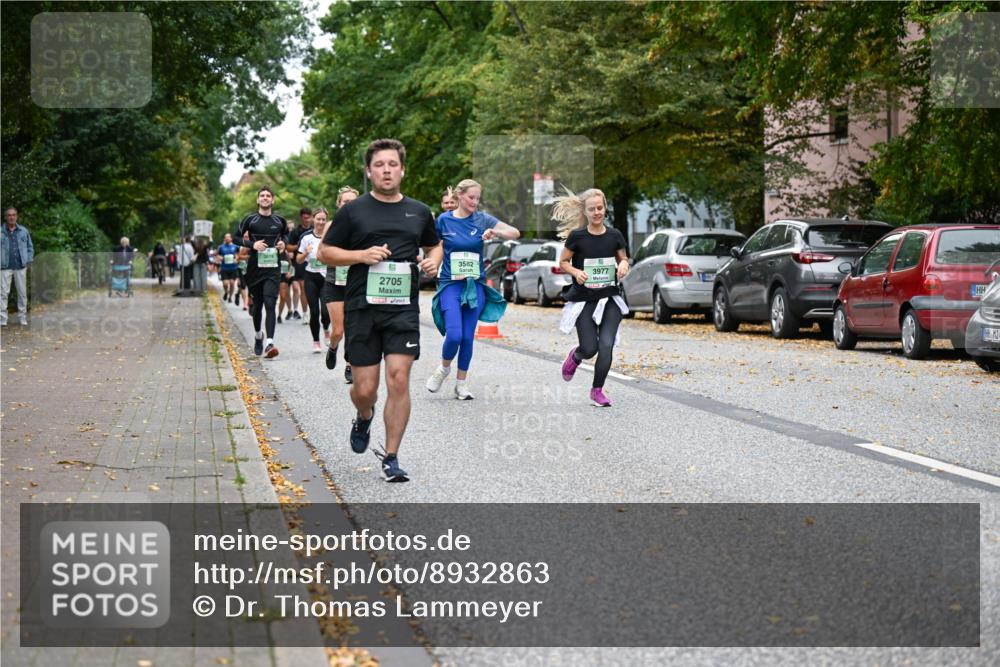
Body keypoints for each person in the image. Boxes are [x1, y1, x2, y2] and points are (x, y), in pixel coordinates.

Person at [319, 138, 442, 483]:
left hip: (402, 309)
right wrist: (361, 255)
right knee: (365, 388)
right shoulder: (353, 211)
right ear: (369, 171)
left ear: (402, 169)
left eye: (392, 164)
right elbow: (325, 253)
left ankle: (391, 457)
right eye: (379, 165)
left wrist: (432, 262)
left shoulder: (419, 211)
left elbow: (434, 245)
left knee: (399, 379)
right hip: (362, 308)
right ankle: (364, 414)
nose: (386, 170)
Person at [426, 179, 518, 399]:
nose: (475, 202)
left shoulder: (483, 219)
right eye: (471, 197)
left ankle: (461, 384)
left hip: (474, 285)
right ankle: (443, 369)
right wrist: (430, 262)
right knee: (455, 334)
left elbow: (514, 232)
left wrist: (496, 233)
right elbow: (433, 246)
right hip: (451, 284)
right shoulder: (444, 220)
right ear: (459, 196)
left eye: (478, 198)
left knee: (468, 337)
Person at [554, 188, 630, 407]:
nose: (597, 212)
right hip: (584, 298)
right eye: (592, 209)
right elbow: (564, 262)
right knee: (590, 348)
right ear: (585, 212)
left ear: (605, 207)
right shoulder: (577, 237)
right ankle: (576, 357)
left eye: (600, 207)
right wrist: (577, 273)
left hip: (609, 298)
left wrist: (623, 264)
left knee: (606, 345)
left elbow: (623, 258)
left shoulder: (615, 235)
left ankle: (597, 390)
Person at [236, 186, 287, 358]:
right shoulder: (250, 219)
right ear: (258, 200)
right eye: (262, 196)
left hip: (273, 268)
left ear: (272, 200)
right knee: (257, 306)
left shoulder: (280, 220)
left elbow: (285, 236)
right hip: (254, 269)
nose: (265, 198)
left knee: (270, 303)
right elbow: (236, 238)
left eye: (268, 196)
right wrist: (252, 245)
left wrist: (283, 244)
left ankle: (270, 343)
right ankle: (258, 336)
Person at [321, 186, 359, 383]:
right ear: (338, 204)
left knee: (353, 327)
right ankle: (333, 346)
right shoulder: (331, 226)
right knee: (338, 330)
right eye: (346, 202)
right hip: (334, 282)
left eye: (353, 201)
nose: (349, 205)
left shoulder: (363, 224)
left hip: (356, 282)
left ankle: (349, 364)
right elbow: (322, 254)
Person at [295, 207, 332, 352]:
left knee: (325, 311)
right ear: (313, 220)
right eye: (318, 219)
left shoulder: (331, 236)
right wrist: (306, 252)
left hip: (326, 277)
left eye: (323, 219)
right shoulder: (306, 237)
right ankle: (316, 341)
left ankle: (326, 329)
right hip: (310, 276)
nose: (321, 222)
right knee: (314, 311)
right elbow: (298, 260)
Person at [1, 206, 34, 326]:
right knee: (3, 293)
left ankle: (22, 317)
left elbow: (30, 247)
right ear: (5, 217)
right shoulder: (0, 231)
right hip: (4, 267)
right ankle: (3, 319)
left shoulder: (23, 231)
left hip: (21, 266)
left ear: (16, 216)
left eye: (13, 215)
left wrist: (29, 261)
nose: (11, 217)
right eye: (9, 215)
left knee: (22, 293)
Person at [286, 206, 313, 322]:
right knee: (303, 288)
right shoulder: (296, 232)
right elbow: (288, 247)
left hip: (315, 261)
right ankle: (305, 314)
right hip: (301, 261)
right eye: (304, 218)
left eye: (308, 218)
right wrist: (300, 246)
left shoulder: (316, 229)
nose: (306, 220)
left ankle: (315, 312)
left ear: (311, 217)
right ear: (301, 218)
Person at [217, 233, 240, 301]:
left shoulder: (235, 247)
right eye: (225, 237)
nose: (227, 238)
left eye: (228, 237)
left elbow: (238, 255)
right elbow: (217, 255)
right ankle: (226, 292)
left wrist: (236, 259)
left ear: (231, 238)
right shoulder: (221, 247)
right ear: (224, 239)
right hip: (224, 268)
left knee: (232, 283)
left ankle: (230, 297)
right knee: (225, 284)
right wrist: (220, 257)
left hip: (233, 268)